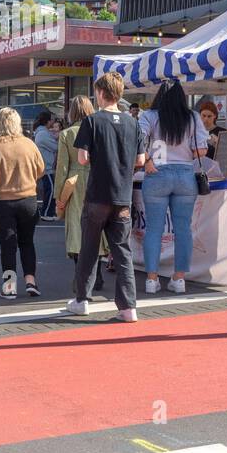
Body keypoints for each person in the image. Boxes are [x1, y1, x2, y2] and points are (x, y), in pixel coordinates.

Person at [66, 72, 145, 322]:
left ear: (101, 93)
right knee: (122, 251)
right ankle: (128, 307)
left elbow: (82, 158)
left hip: (97, 194)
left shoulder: (92, 121)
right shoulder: (133, 123)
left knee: (89, 249)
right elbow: (141, 160)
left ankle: (82, 300)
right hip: (122, 195)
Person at [138, 80, 208, 294]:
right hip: (186, 175)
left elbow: (137, 140)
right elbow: (202, 151)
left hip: (156, 173)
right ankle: (179, 279)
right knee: (183, 230)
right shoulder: (193, 118)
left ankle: (151, 280)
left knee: (154, 229)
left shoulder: (149, 116)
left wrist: (148, 160)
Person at [0, 107, 46, 299]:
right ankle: (31, 281)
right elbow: (40, 170)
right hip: (28, 200)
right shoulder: (28, 144)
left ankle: (9, 286)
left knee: (7, 245)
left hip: (3, 202)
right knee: (27, 242)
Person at [56, 96, 106, 293]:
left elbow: (62, 167)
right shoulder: (99, 130)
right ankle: (98, 273)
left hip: (74, 182)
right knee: (98, 227)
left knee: (77, 228)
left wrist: (59, 197)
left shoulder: (67, 134)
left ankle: (81, 275)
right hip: (98, 179)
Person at [33, 112, 59, 217]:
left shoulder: (42, 132)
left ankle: (49, 212)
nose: (53, 122)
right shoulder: (43, 134)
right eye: (52, 120)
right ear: (47, 121)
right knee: (51, 190)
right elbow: (56, 147)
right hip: (46, 167)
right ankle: (46, 212)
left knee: (50, 190)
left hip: (47, 166)